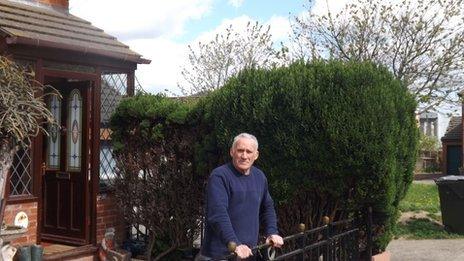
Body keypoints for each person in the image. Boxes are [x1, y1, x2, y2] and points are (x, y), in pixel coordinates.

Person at [198, 133, 284, 260]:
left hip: (249, 253)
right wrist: (235, 244)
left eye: (249, 152)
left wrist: (272, 232)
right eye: (240, 151)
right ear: (232, 152)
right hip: (222, 255)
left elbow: (267, 207)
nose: (244, 156)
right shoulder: (220, 176)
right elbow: (217, 213)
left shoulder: (259, 177)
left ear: (256, 155)